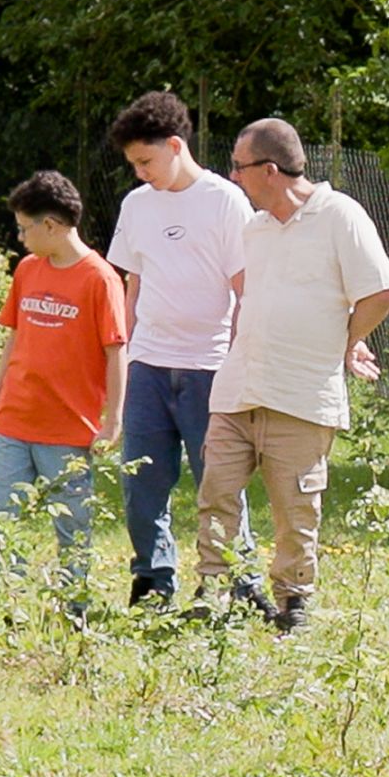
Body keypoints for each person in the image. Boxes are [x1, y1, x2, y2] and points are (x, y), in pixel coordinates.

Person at [194, 118, 389, 632]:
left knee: (294, 510)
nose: (233, 178)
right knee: (215, 493)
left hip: (301, 393)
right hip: (239, 386)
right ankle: (214, 594)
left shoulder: (340, 215)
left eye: (239, 168)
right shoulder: (255, 229)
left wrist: (345, 342)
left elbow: (380, 291)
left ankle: (293, 605)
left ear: (269, 170)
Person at [105, 91, 255, 608]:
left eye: (145, 161)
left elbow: (245, 289)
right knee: (141, 483)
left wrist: (236, 365)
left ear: (175, 145)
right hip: (148, 364)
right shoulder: (136, 205)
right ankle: (153, 580)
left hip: (209, 367)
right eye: (132, 164)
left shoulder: (225, 200)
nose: (140, 172)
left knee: (218, 482)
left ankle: (237, 578)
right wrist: (124, 357)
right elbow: (132, 285)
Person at [0, 170, 128, 616]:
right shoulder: (28, 270)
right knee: (0, 514)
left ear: (52, 226)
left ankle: (73, 606)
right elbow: (13, 340)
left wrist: (111, 420)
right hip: (14, 421)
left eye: (24, 228)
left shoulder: (99, 279)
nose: (20, 238)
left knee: (72, 523)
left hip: (68, 430)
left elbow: (116, 351)